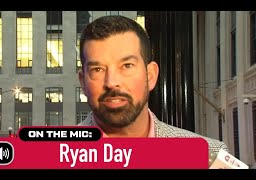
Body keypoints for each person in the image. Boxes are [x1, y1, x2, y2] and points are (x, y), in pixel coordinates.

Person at [77, 15, 228, 155]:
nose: (111, 82)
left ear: (150, 75)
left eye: (127, 65)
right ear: (83, 82)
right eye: (97, 69)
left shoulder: (211, 156)